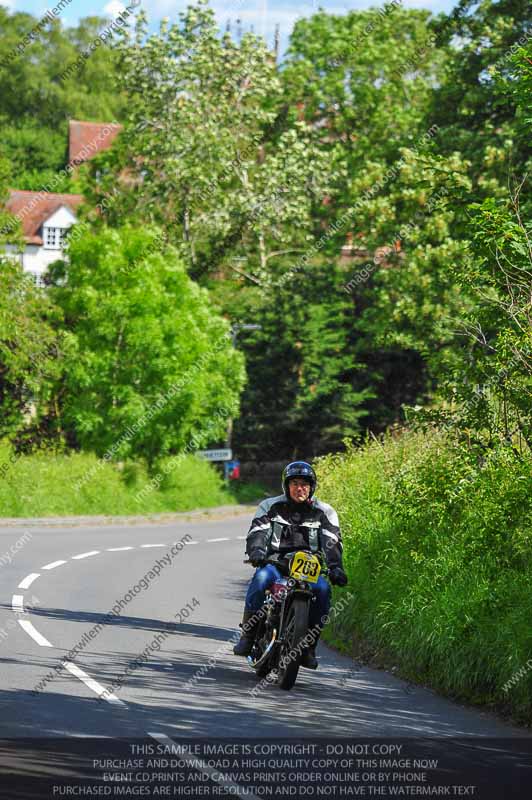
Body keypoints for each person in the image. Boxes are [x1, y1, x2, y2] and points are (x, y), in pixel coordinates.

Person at [233, 461, 348, 669]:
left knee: (322, 590)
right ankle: (248, 636)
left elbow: (332, 542)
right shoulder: (269, 506)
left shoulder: (325, 511)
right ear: (286, 486)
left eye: (304, 484)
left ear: (312, 486)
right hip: (275, 563)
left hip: (309, 568)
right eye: (294, 483)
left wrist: (336, 567)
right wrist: (257, 552)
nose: (299, 488)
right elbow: (257, 531)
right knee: (260, 579)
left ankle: (309, 647)